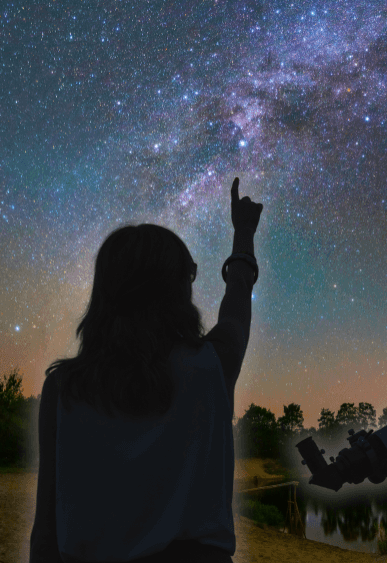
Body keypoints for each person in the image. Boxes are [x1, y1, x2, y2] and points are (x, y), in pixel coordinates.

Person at [30, 178, 264, 563]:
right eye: (189, 273)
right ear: (177, 289)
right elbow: (237, 301)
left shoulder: (64, 387)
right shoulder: (212, 365)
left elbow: (46, 529)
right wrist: (243, 234)